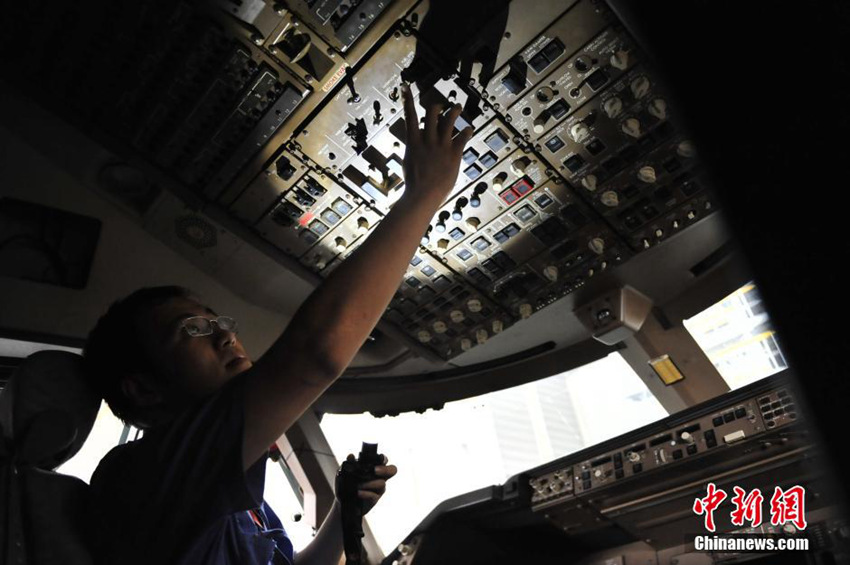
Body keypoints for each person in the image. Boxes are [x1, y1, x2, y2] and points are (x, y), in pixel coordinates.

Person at [83, 84, 474, 565]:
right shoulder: (139, 475)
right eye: (192, 330)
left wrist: (343, 515)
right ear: (142, 390)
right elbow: (314, 355)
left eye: (217, 321)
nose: (226, 334)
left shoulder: (233, 500)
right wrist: (422, 197)